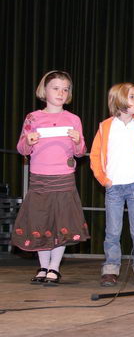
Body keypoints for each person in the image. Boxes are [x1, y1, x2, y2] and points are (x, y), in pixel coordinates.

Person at [12, 70, 90, 284]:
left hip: (63, 178)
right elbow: (22, 149)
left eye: (65, 89)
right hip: (40, 179)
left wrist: (77, 141)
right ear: (43, 91)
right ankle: (43, 267)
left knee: (61, 223)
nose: (61, 93)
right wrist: (29, 140)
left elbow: (80, 152)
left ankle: (54, 268)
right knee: (40, 222)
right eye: (56, 88)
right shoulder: (33, 118)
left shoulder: (73, 119)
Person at [90, 83, 134, 287]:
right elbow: (95, 155)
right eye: (132, 97)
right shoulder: (105, 127)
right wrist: (104, 179)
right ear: (118, 100)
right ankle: (110, 269)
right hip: (113, 188)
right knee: (113, 231)